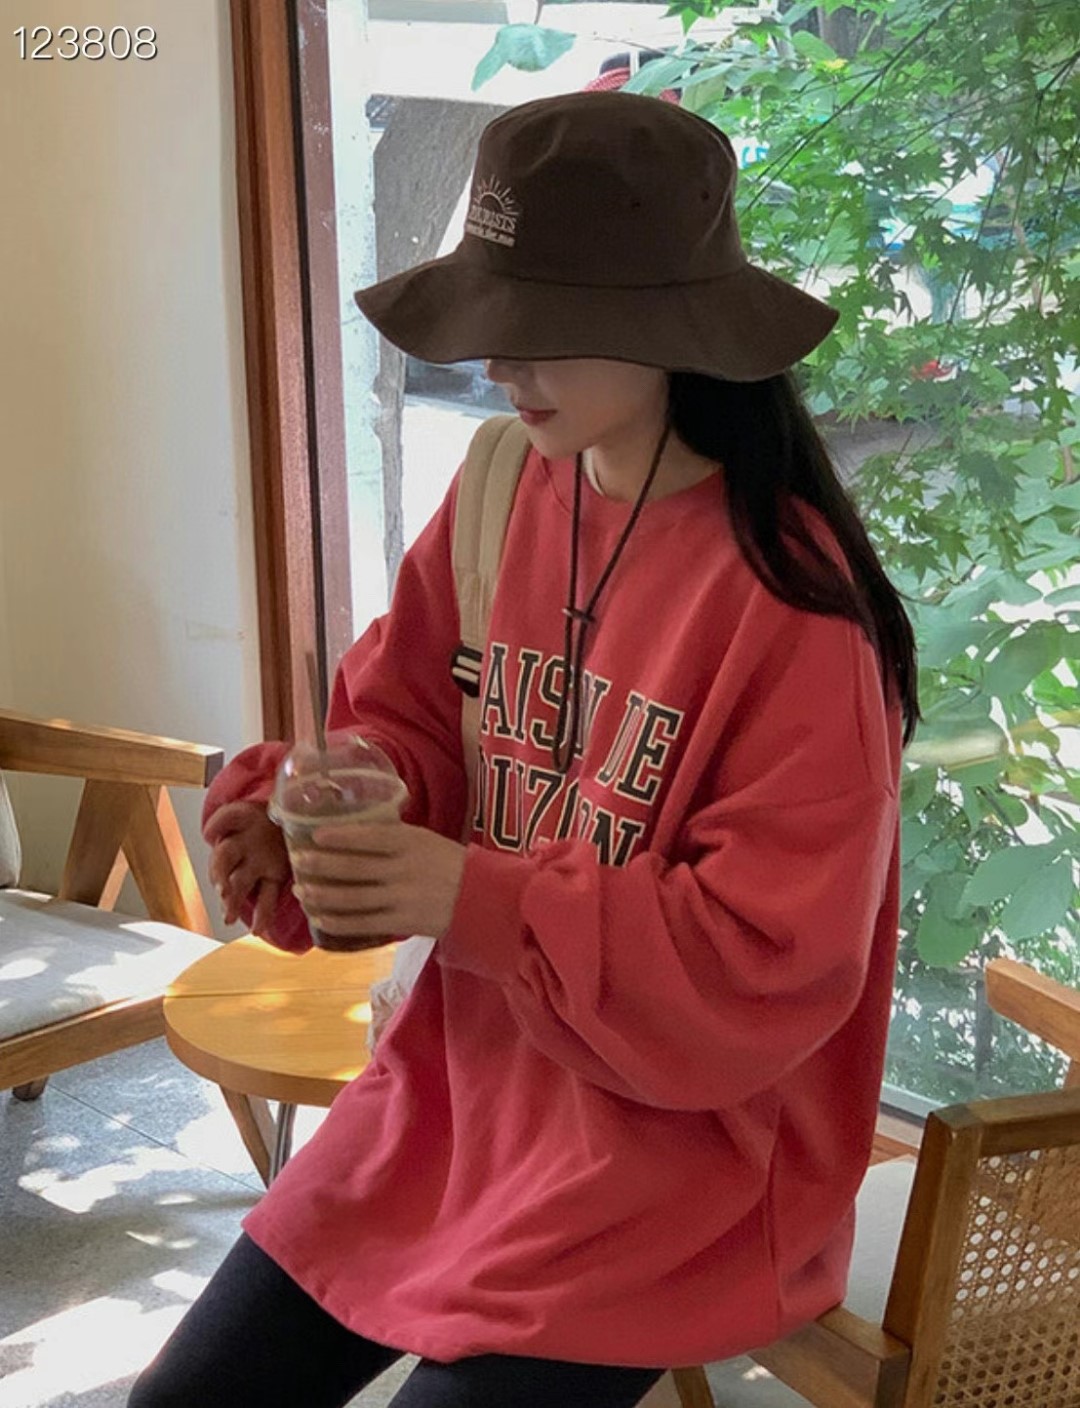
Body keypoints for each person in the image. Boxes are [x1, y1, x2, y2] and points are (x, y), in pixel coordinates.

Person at [129, 91, 917, 1408]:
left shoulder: (799, 612)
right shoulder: (502, 483)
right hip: (458, 1089)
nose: (497, 363)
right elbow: (411, 715)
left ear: (669, 331)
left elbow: (767, 961)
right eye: (489, 316)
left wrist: (466, 893)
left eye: (536, 327)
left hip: (676, 1160)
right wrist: (339, 801)